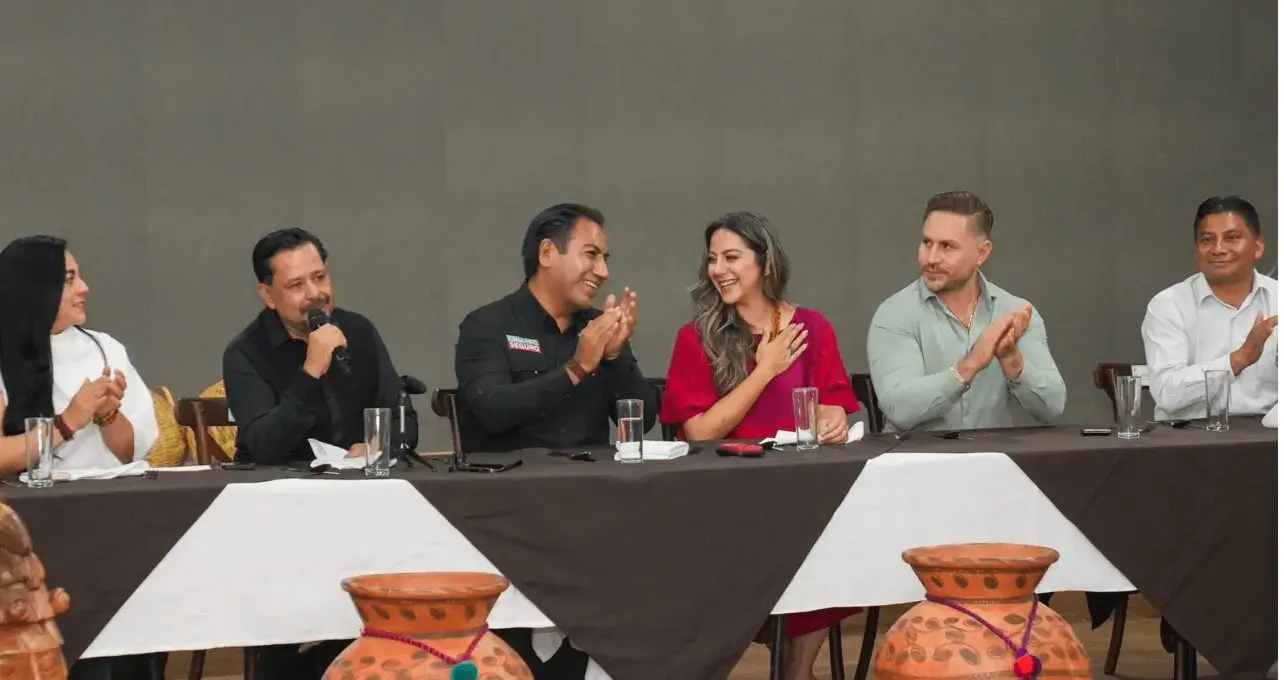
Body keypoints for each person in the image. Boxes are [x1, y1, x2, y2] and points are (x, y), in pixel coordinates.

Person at [453, 203, 658, 679]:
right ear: (547, 252)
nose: (603, 271)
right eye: (591, 254)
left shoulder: (598, 330)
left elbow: (642, 419)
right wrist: (575, 368)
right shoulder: (486, 326)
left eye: (606, 258)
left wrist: (616, 355)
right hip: (509, 516)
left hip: (594, 509)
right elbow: (491, 409)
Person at [658, 212, 861, 680]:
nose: (718, 269)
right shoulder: (695, 338)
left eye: (732, 257)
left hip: (800, 493)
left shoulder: (812, 327)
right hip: (725, 498)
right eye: (712, 259)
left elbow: (834, 406)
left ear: (765, 263)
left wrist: (832, 419)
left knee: (836, 531)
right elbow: (700, 433)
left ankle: (797, 669)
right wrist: (765, 368)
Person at [222, 227, 418, 678]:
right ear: (267, 295)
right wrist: (311, 370)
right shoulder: (245, 354)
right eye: (296, 285)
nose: (315, 295)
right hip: (283, 526)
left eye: (320, 277)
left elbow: (403, 420)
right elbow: (263, 445)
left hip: (367, 518)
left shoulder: (359, 332)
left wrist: (378, 443)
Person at [0, 235, 163, 679]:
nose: (84, 288)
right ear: (35, 289)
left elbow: (132, 449)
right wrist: (70, 419)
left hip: (111, 515)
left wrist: (108, 415)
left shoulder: (105, 348)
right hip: (32, 531)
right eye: (69, 279)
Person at [866, 191, 1066, 432]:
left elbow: (1053, 408)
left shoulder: (1015, 312)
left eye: (947, 246)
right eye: (927, 243)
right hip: (918, 464)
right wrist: (969, 367)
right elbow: (899, 409)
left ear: (982, 253)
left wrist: (1013, 362)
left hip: (994, 464)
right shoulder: (894, 314)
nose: (931, 258)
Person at [1142, 195, 1277, 421]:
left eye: (1232, 238)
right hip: (1190, 437)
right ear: (1197, 250)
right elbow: (1166, 393)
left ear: (1258, 247)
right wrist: (1239, 359)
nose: (1218, 249)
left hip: (1268, 433)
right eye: (1207, 240)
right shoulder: (1168, 305)